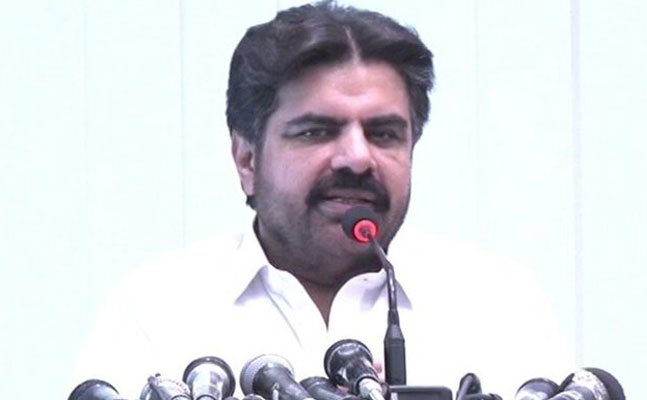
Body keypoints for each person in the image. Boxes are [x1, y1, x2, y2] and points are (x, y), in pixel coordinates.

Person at [72, 1, 572, 398]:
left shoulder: (498, 303)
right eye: (316, 131)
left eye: (384, 134)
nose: (357, 158)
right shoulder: (156, 310)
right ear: (247, 160)